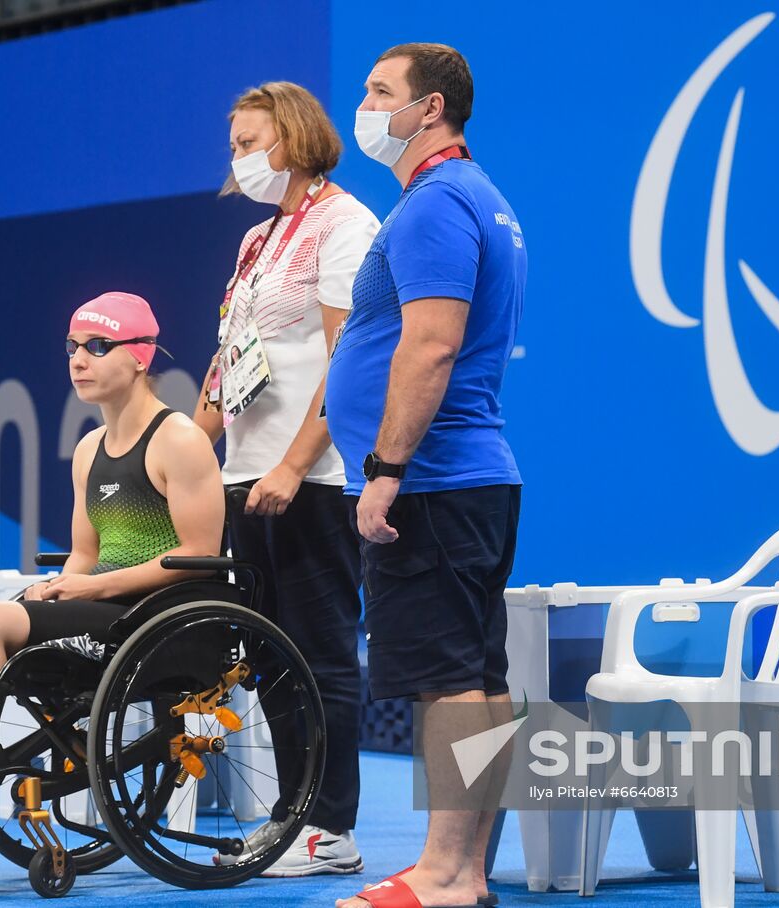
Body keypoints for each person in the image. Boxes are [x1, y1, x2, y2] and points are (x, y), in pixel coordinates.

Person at [0, 291, 224, 852]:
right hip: (106, 609)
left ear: (141, 356)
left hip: (164, 622)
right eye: (73, 347)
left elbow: (199, 554)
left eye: (98, 346)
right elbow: (84, 553)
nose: (79, 359)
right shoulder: (89, 450)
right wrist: (53, 590)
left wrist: (93, 584)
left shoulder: (180, 439)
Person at [325, 44, 526, 908]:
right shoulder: (477, 197)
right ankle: (465, 869)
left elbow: (432, 342)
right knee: (476, 677)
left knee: (449, 678)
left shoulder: (437, 202)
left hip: (433, 481)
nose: (365, 105)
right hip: (466, 479)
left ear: (431, 108)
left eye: (381, 92)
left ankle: (443, 871)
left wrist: (385, 469)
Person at [193, 80, 380, 877]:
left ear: (294, 141)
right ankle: (291, 813)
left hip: (315, 479)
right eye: (233, 144)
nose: (237, 158)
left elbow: (353, 364)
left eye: (248, 143)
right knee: (268, 656)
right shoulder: (255, 242)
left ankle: (332, 827)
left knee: (322, 655)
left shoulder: (346, 224)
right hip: (244, 476)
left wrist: (296, 463)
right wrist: (189, 450)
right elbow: (228, 364)